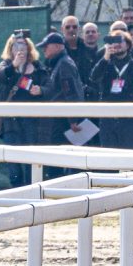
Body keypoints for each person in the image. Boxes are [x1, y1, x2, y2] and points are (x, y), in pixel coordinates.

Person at [0, 32, 47, 186]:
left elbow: (49, 86)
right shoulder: (6, 65)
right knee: (14, 166)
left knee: (31, 161)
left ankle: (32, 192)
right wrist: (14, 65)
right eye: (16, 45)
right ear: (10, 49)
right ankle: (17, 192)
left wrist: (41, 90)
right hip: (10, 124)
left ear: (29, 47)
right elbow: (0, 76)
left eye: (23, 44)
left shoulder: (37, 66)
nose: (20, 48)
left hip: (31, 123)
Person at [88, 30, 133, 150]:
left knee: (132, 155)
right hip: (109, 120)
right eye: (113, 41)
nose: (116, 44)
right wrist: (106, 56)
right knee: (110, 156)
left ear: (127, 45)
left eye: (119, 40)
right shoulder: (105, 64)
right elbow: (93, 78)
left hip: (132, 120)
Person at [36, 32, 85, 178]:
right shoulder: (61, 62)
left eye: (46, 46)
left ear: (58, 46)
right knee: (60, 159)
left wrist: (73, 119)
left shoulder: (64, 64)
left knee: (59, 160)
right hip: (61, 119)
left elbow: (71, 92)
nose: (44, 49)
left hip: (63, 121)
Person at [61, 15, 96, 86]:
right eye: (67, 27)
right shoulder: (58, 49)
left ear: (79, 29)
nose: (71, 30)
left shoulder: (87, 48)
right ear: (62, 29)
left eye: (74, 27)